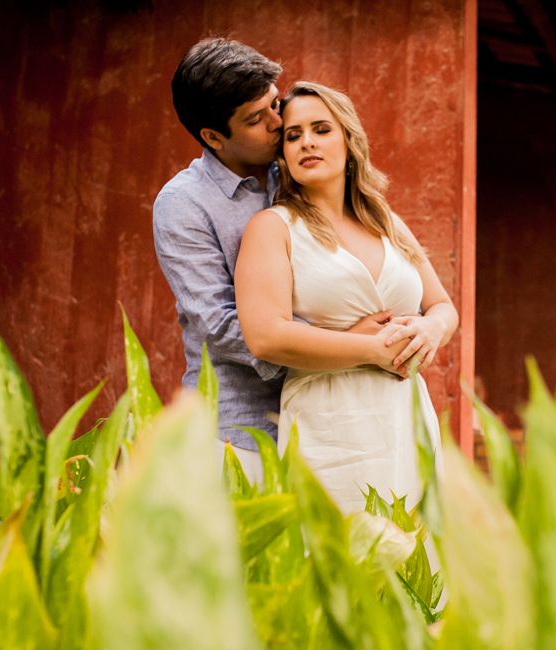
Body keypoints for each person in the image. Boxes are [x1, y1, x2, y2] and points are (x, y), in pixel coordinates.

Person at [153, 39, 394, 485]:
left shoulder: (300, 168)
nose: (278, 122)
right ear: (213, 137)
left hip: (330, 419)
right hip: (240, 429)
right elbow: (222, 326)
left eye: (274, 103)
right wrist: (347, 344)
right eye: (255, 119)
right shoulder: (184, 204)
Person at [235, 82, 459, 513]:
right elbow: (265, 336)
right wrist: (371, 351)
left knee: (417, 564)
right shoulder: (273, 227)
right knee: (342, 561)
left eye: (321, 129)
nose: (307, 143)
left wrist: (431, 329)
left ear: (349, 140)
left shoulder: (387, 223)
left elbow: (442, 306)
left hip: (406, 416)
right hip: (328, 420)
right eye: (293, 135)